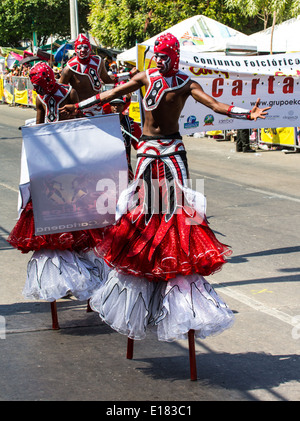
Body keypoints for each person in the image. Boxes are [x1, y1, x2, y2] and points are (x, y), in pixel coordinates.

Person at [60, 33, 271, 343]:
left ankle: (176, 279)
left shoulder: (187, 83)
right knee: (143, 215)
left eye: (164, 56)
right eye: (156, 56)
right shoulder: (145, 75)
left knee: (177, 215)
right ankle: (143, 283)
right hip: (146, 151)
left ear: (175, 55)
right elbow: (111, 94)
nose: (159, 60)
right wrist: (80, 106)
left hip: (172, 153)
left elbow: (215, 105)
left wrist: (245, 115)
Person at [7, 62, 108, 318]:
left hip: (70, 161)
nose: (41, 88)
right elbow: (40, 126)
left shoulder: (68, 93)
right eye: (37, 86)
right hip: (49, 162)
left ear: (50, 80)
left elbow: (81, 124)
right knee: (52, 221)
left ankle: (87, 275)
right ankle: (63, 277)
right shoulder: (40, 97)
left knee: (79, 219)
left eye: (42, 83)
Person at [59, 34, 117, 116]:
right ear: (75, 50)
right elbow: (61, 92)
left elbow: (107, 80)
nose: (82, 50)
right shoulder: (69, 69)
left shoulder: (99, 62)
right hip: (80, 111)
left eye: (85, 47)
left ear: (90, 48)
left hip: (98, 108)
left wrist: (129, 75)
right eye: (79, 47)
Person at [109, 96, 141, 181]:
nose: (116, 107)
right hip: (108, 164)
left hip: (124, 163)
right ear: (110, 106)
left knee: (124, 189)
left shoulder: (131, 123)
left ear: (123, 106)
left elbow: (138, 143)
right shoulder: (105, 122)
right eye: (113, 105)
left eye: (119, 105)